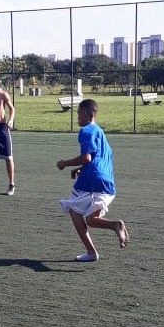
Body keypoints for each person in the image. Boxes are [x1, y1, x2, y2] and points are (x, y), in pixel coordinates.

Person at [56, 98, 129, 262]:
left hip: (90, 182)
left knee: (74, 211)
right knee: (91, 219)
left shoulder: (86, 131)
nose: (77, 117)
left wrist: (65, 164)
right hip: (107, 183)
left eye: (79, 114)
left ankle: (91, 252)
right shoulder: (100, 133)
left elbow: (87, 158)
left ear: (88, 114)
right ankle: (115, 225)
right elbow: (96, 158)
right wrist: (80, 169)